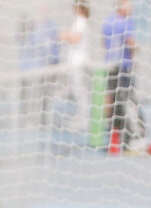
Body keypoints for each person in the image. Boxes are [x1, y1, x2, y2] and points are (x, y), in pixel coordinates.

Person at [102, 0, 139, 147]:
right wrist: (137, 49)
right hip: (123, 66)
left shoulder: (107, 21)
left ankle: (110, 132)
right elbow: (131, 43)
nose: (132, 7)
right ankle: (132, 134)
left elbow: (104, 43)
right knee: (127, 99)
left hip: (111, 65)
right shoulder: (125, 22)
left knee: (111, 97)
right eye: (129, 4)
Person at [60, 0, 91, 133]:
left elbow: (75, 39)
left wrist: (65, 35)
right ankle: (81, 117)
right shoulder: (80, 21)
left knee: (80, 91)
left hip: (78, 61)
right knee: (77, 91)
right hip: (76, 61)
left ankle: (84, 120)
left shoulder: (81, 21)